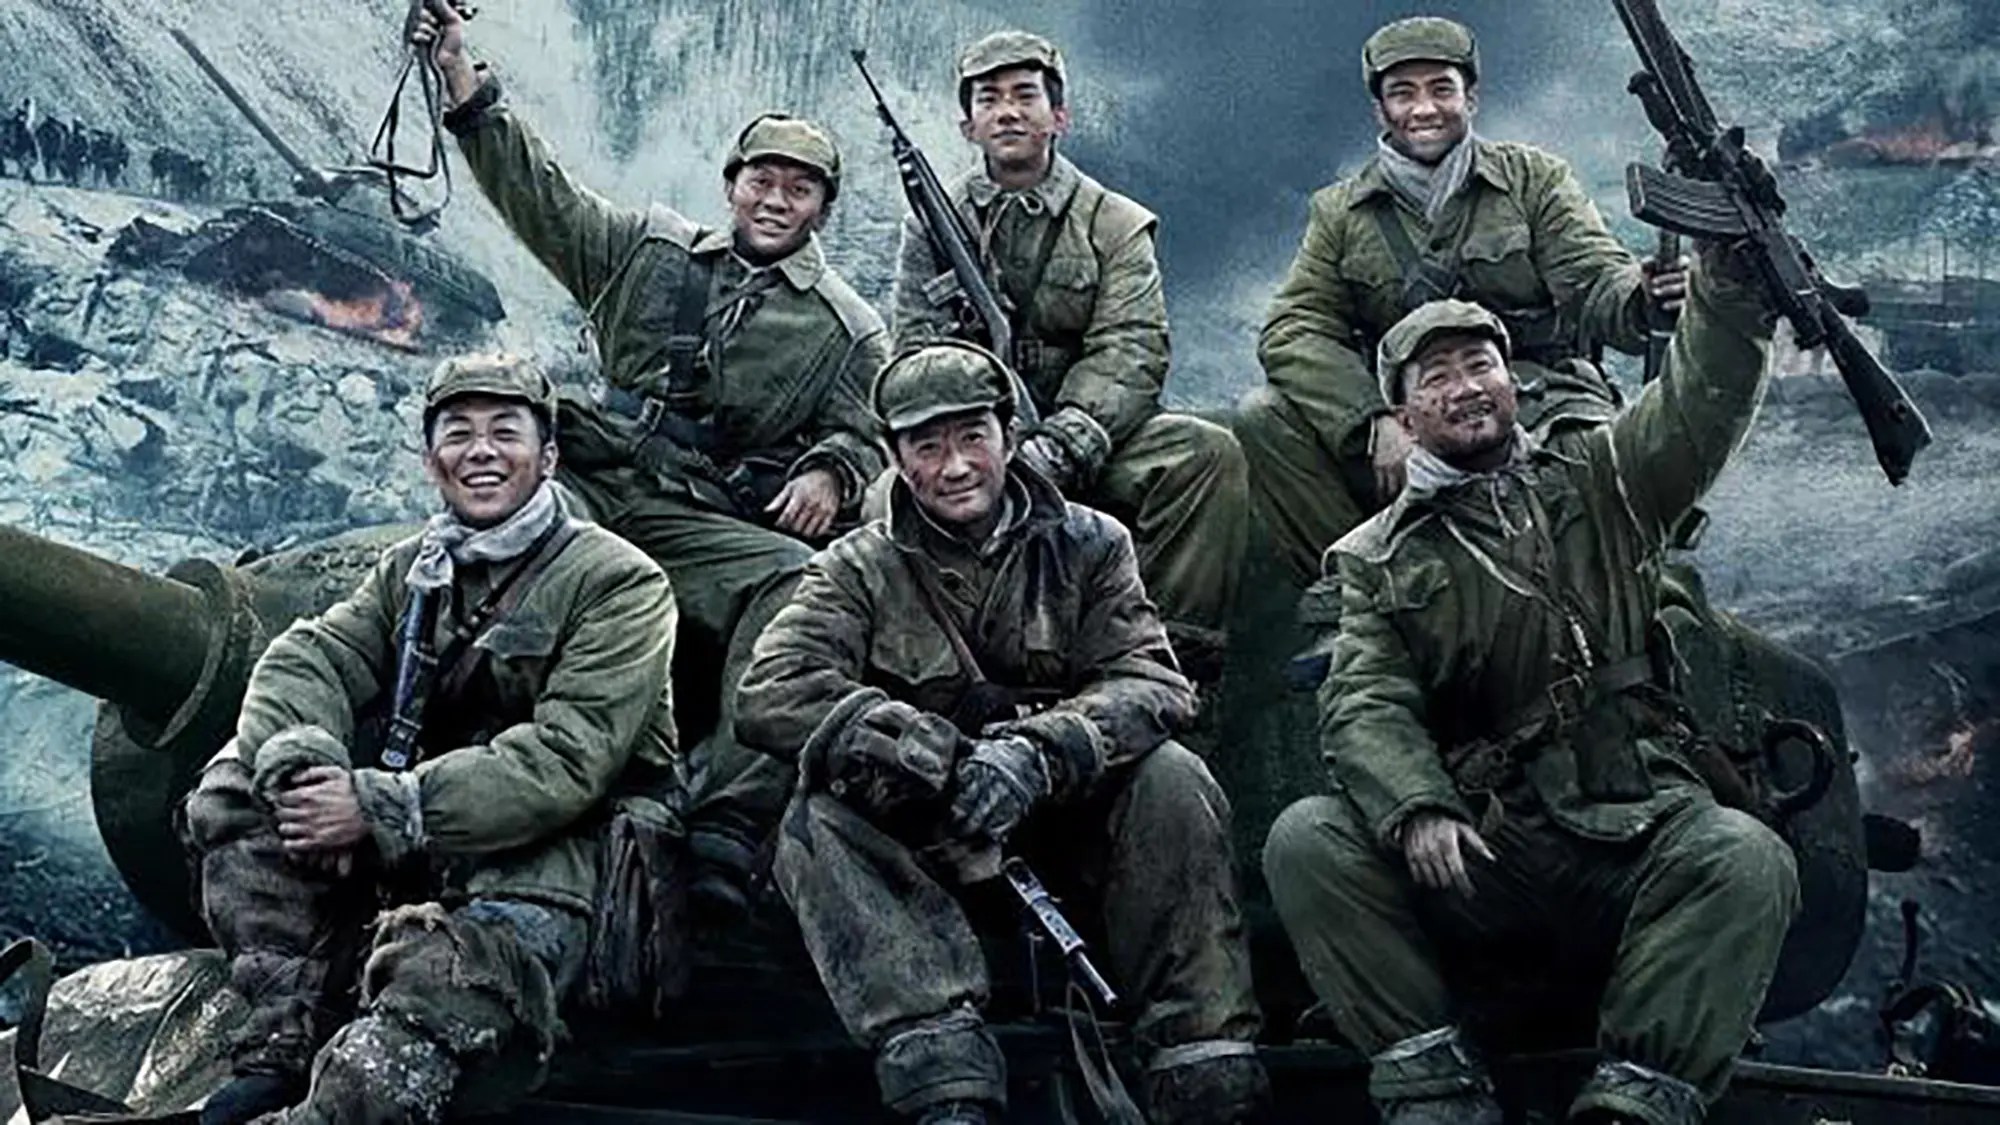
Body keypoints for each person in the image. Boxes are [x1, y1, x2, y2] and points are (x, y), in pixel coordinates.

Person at [1261, 245, 1799, 1125]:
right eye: (1437, 377)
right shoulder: (1374, 557)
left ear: (1512, 381)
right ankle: (1434, 1090)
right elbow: (1365, 699)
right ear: (1404, 415)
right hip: (1485, 850)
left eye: (1480, 365)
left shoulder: (1601, 477)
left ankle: (1634, 1099)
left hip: (1631, 820)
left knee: (1744, 856)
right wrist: (1417, 805)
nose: (1466, 388)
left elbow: (1696, 410)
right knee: (1306, 840)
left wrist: (1730, 294)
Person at [412, 0, 891, 911]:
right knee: (510, 536)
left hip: (703, 517)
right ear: (732, 184)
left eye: (798, 189)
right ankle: (474, 750)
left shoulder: (848, 329)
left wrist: (831, 470)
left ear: (822, 208)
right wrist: (463, 81)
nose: (775, 200)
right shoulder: (646, 251)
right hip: (595, 482)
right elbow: (542, 198)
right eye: (761, 179)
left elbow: (865, 430)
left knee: (796, 584)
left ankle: (729, 818)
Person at [736, 342, 1267, 1125]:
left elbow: (1153, 682)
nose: (955, 466)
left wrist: (1039, 753)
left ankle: (1202, 1066)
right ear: (894, 458)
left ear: (1010, 435)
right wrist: (912, 746)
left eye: (972, 437)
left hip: (1070, 828)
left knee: (1174, 777)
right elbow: (772, 689)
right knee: (816, 818)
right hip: (925, 850)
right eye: (927, 446)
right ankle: (943, 1078)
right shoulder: (856, 566)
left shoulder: (1093, 543)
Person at [180, 354, 680, 1125]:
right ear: (431, 460)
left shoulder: (618, 581)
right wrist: (308, 775)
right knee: (238, 783)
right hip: (439, 826)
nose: (481, 451)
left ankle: (339, 1102)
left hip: (568, 850)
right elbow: (312, 655)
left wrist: (381, 807)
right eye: (459, 433)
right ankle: (281, 1034)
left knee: (456, 978)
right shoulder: (415, 568)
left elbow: (567, 759)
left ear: (547, 457)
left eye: (505, 432)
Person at [1238, 16, 1690, 585]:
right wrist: (1373, 420)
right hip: (1413, 408)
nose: (1423, 109)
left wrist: (1641, 296)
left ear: (1470, 98)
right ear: (1381, 111)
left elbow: (1595, 279)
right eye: (1403, 93)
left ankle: (1603, 597)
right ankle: (1360, 589)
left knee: (1593, 458)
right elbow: (1294, 328)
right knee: (1262, 416)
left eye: (1441, 89)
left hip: (1536, 395)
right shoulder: (1341, 213)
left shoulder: (1532, 181)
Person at [888, 30, 1248, 687]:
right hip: (977, 441)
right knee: (885, 494)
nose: (1008, 112)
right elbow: (913, 349)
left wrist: (1061, 444)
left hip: (1090, 438)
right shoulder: (932, 224)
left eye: (1025, 95)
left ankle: (1170, 672)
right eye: (989, 99)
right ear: (968, 126)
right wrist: (983, 440)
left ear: (1060, 116)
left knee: (1204, 456)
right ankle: (933, 681)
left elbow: (1132, 349)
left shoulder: (1115, 223)